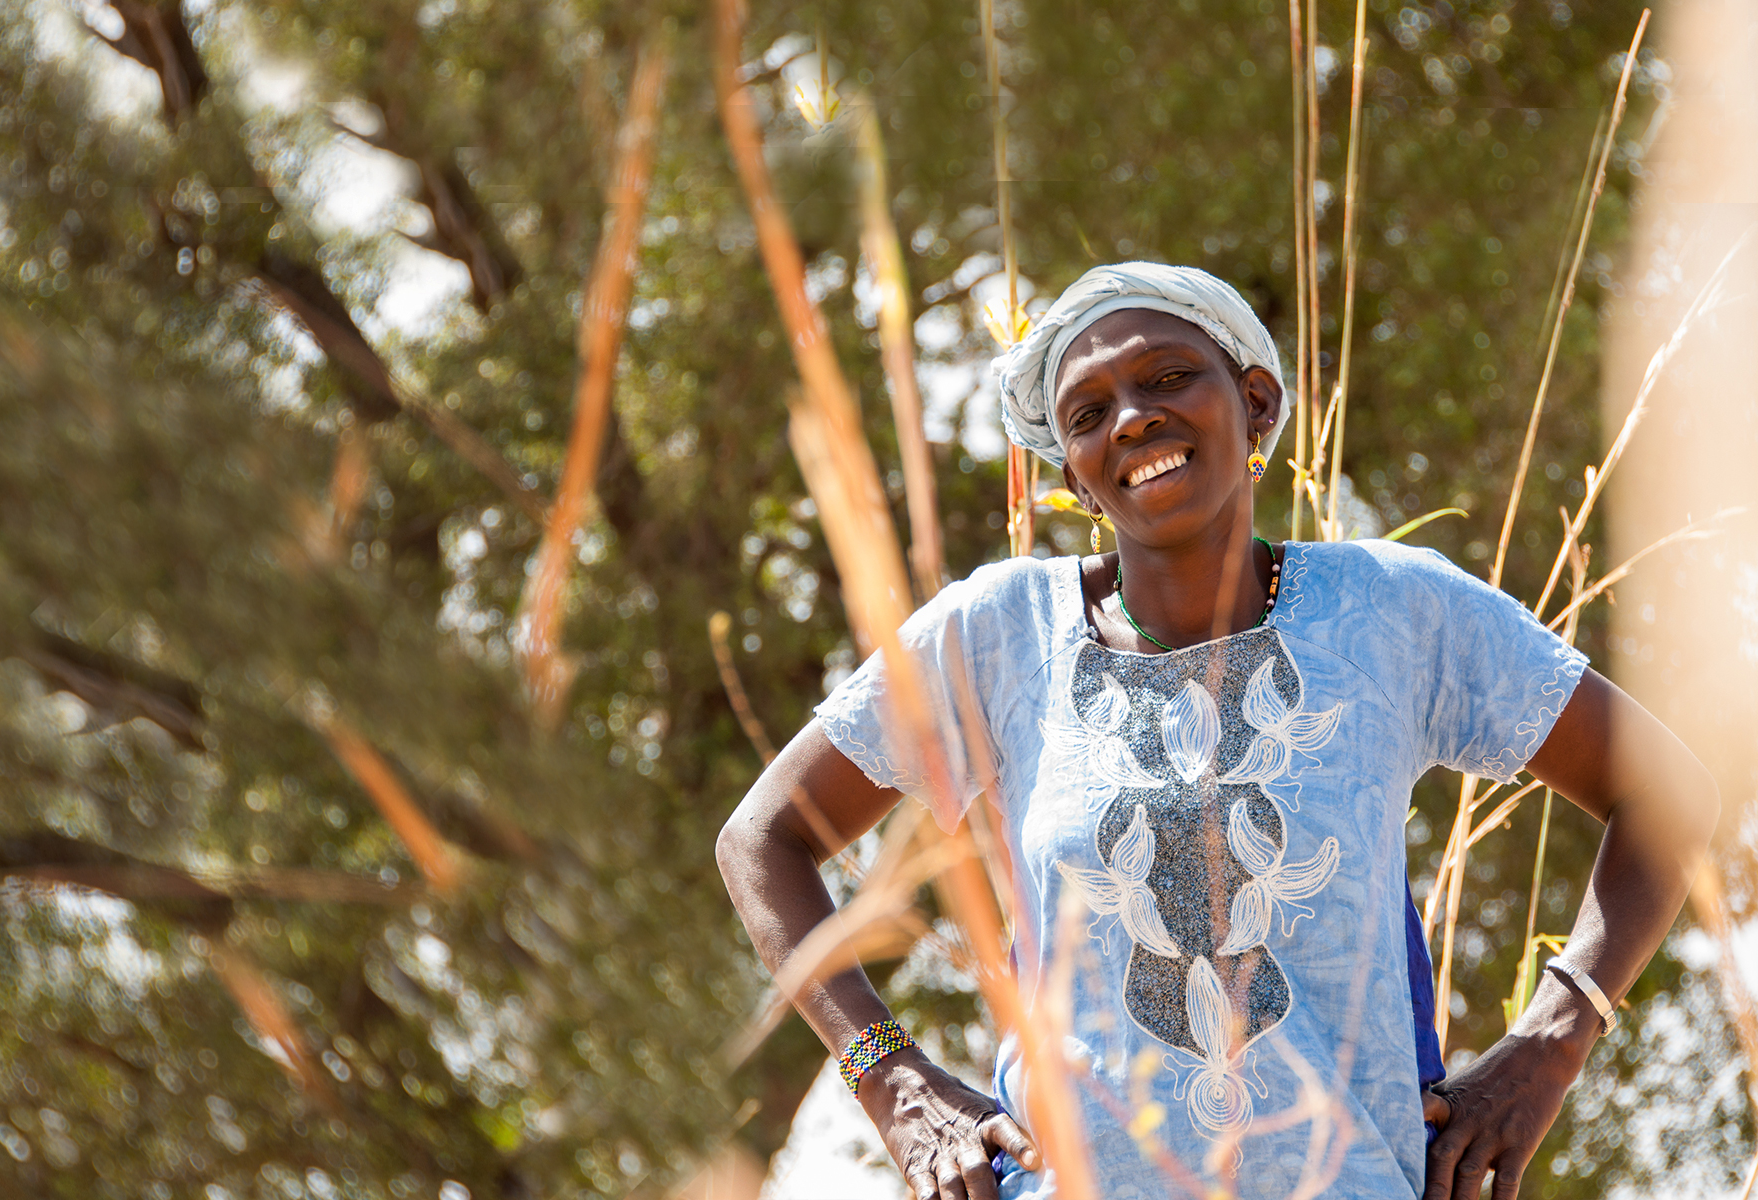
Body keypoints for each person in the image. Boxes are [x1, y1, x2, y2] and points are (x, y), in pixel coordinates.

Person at [715, 262, 1719, 1199]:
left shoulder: (1398, 613)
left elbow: (1667, 796)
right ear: (1072, 472)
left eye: (1167, 377)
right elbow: (763, 840)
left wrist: (1555, 1035)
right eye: (1088, 413)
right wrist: (892, 1081)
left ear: (1257, 402)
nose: (1134, 418)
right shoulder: (996, 637)